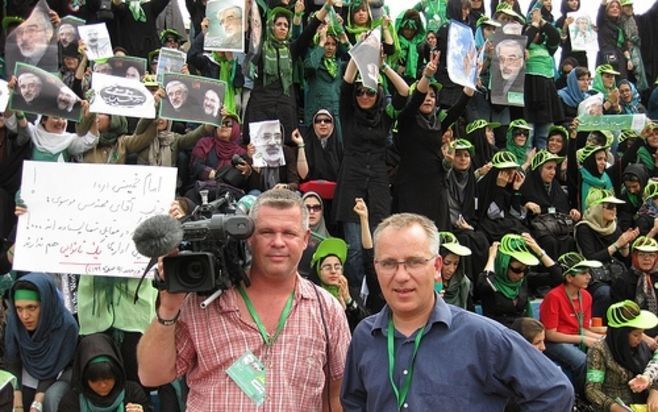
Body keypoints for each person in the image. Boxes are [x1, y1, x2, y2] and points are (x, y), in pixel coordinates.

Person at [137, 189, 351, 410]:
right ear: (248, 236)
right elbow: (152, 376)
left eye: (289, 233)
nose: (278, 242)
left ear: (306, 239)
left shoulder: (327, 310)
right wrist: (169, 307)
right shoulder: (205, 301)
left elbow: (336, 394)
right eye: (267, 232)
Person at [340, 212, 575, 410]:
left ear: (436, 267)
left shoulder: (481, 337)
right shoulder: (365, 336)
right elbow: (354, 403)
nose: (401, 276)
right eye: (389, 263)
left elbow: (555, 392)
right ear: (376, 268)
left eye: (414, 262)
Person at [5, 273, 79, 412]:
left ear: (46, 304)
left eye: (31, 307)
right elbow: (12, 360)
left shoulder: (66, 326)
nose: (25, 316)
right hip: (25, 372)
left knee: (51, 398)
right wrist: (17, 400)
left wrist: (37, 402)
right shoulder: (14, 321)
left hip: (58, 375)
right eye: (19, 309)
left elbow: (56, 365)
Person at [539, 252, 604, 397]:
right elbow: (550, 334)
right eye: (583, 273)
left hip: (576, 337)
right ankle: (583, 396)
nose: (589, 277)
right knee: (582, 361)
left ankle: (598, 392)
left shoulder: (586, 296)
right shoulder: (554, 297)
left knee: (604, 351)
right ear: (569, 277)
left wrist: (601, 339)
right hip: (553, 342)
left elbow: (583, 328)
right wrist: (582, 339)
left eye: (588, 273)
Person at [585, 300, 658, 410]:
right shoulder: (599, 351)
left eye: (641, 333)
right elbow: (592, 389)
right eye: (635, 335)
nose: (640, 338)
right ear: (621, 335)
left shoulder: (641, 348)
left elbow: (653, 369)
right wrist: (614, 407)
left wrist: (654, 390)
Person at [477, 233, 559, 327]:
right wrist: (492, 257)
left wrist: (539, 251)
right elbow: (484, 282)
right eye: (517, 269)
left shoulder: (523, 280)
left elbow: (557, 277)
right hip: (499, 335)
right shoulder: (492, 283)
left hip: (522, 333)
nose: (521, 274)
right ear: (504, 265)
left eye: (525, 269)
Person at [57, 333, 152, 412]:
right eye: (95, 380)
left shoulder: (133, 393)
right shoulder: (71, 403)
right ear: (84, 379)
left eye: (108, 378)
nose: (103, 385)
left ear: (117, 374)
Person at [311, 237, 368, 332]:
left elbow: (365, 325)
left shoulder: (350, 293)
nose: (333, 271)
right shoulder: (311, 295)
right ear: (318, 270)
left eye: (337, 267)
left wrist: (348, 301)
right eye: (327, 267)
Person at [438, 231, 473, 309]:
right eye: (447, 263)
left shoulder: (463, 282)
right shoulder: (427, 284)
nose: (451, 269)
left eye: (456, 264)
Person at [491, 37, 525, 103]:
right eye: (501, 59)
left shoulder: (523, 84)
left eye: (511, 59)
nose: (505, 65)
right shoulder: (496, 79)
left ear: (521, 61)